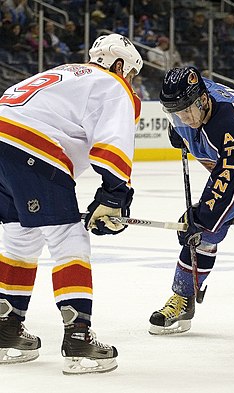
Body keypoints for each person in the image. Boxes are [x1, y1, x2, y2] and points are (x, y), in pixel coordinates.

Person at [0, 33, 143, 373]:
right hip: (32, 151)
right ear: (120, 64)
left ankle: (5, 329)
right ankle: (78, 337)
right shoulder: (111, 83)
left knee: (21, 237)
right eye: (132, 74)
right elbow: (112, 141)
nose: (131, 82)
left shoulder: (66, 72)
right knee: (69, 238)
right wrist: (113, 196)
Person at [149, 66, 234, 335]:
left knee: (206, 220)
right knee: (205, 232)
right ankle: (183, 298)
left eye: (187, 111)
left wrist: (202, 217)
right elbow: (184, 115)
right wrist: (180, 130)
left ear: (204, 100)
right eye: (176, 113)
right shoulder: (190, 98)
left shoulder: (231, 124)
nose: (184, 118)